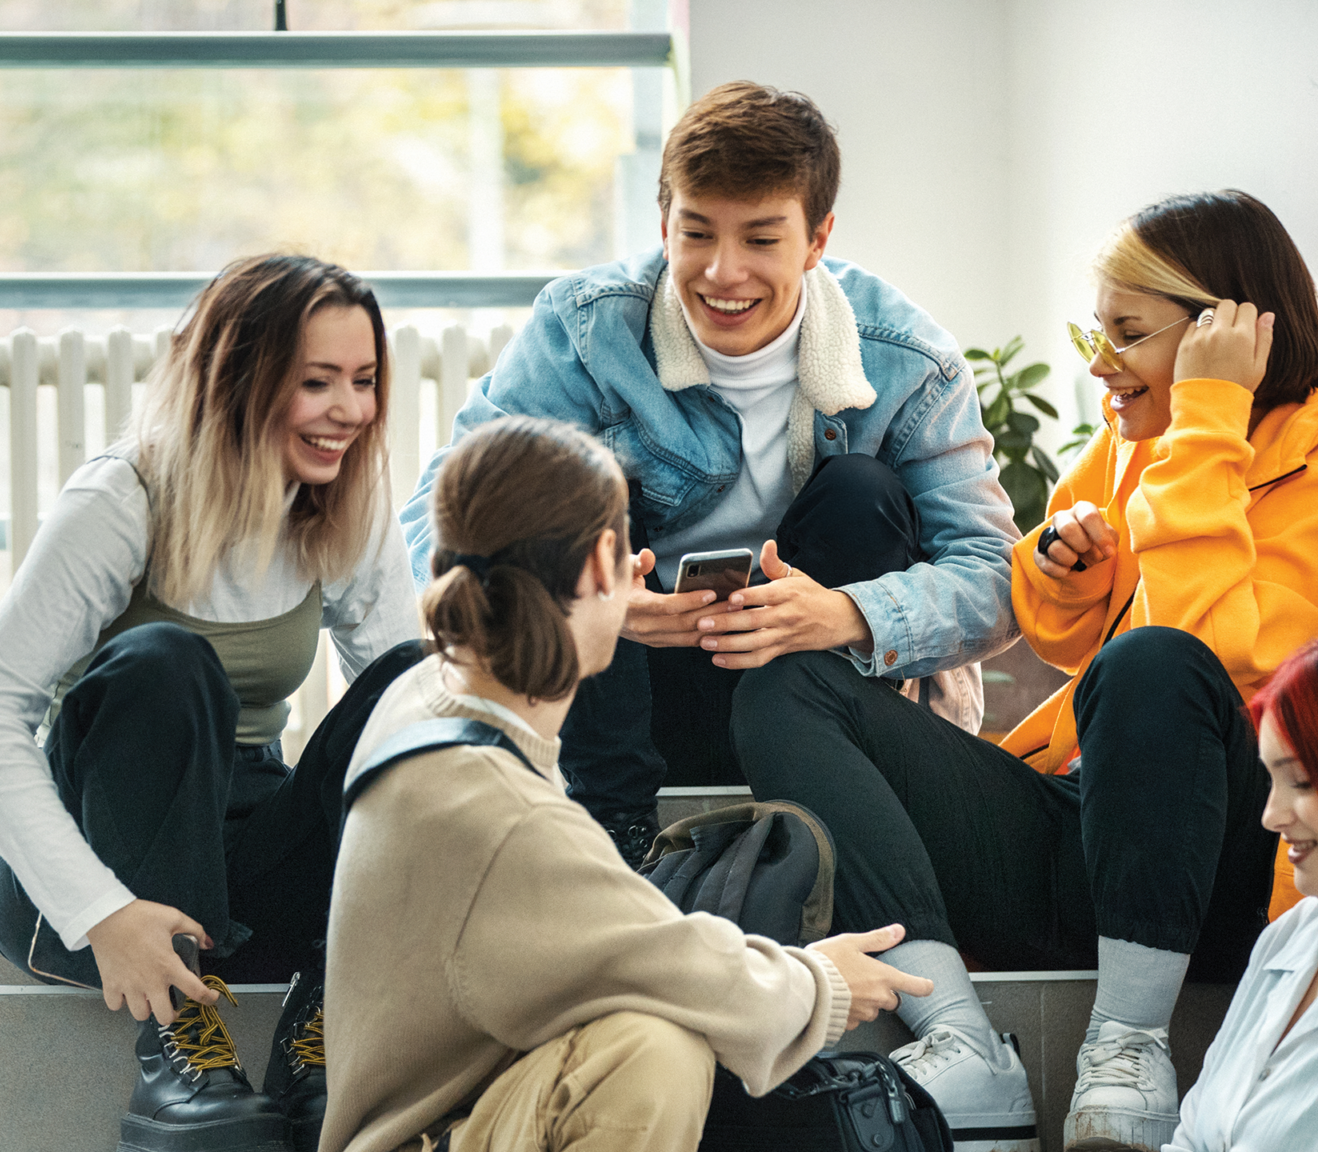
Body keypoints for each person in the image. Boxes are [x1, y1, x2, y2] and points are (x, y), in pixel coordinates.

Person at [730, 189, 1318, 1152]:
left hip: (1220, 868)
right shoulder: (1140, 446)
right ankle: (959, 1039)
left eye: (1128, 334)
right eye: (1098, 330)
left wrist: (1212, 417)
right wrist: (1064, 569)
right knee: (789, 682)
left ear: (1224, 331)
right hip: (1084, 832)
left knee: (1159, 664)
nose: (1100, 364)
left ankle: (1128, 1047)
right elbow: (1059, 640)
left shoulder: (1264, 452)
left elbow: (1211, 663)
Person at [397, 81, 1018, 865]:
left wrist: (845, 615)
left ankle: (825, 827)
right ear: (664, 225)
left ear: (817, 238)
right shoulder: (585, 330)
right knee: (583, 494)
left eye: (761, 240)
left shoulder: (908, 360)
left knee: (864, 492)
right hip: (623, 703)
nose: (724, 274)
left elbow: (996, 575)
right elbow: (441, 523)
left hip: (818, 694)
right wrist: (588, 602)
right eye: (697, 235)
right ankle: (615, 845)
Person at [324, 415, 935, 1152]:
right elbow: (661, 960)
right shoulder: (495, 804)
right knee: (652, 1051)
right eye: (626, 556)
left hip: (455, 1099)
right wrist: (822, 984)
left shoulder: (432, 694)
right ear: (596, 567)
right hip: (426, 1136)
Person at [0, 254, 423, 1152]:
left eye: (363, 382)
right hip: (92, 884)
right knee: (167, 660)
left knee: (414, 681)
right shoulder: (122, 497)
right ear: (234, 380)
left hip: (247, 876)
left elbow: (422, 706)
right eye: (316, 382)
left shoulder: (341, 503)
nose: (350, 411)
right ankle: (180, 1048)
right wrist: (103, 914)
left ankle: (326, 1029)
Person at [1167, 638, 1318, 1151]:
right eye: (1270, 781)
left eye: (1299, 782)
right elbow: (1192, 1136)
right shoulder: (1288, 938)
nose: (1271, 817)